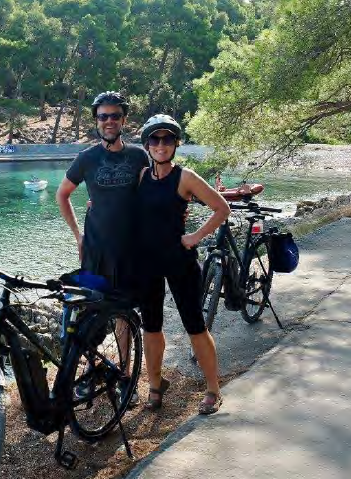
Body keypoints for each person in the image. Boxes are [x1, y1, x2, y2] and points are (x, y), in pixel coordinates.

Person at [56, 91, 149, 404]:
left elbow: (150, 194)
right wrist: (77, 236)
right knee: (90, 315)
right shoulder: (87, 158)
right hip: (95, 251)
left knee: (124, 315)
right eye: (102, 116)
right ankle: (94, 369)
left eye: (114, 116)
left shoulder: (139, 156)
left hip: (130, 251)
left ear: (123, 119)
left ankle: (125, 378)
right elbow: (63, 194)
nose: (109, 121)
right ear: (96, 121)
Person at [136, 114, 230, 415]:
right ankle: (155, 385)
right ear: (147, 144)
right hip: (148, 261)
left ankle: (214, 389)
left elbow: (221, 208)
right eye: (155, 139)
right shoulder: (141, 176)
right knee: (151, 327)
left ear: (176, 144)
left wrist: (196, 236)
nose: (161, 145)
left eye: (167, 139)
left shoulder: (185, 177)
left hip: (180, 261)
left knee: (195, 326)